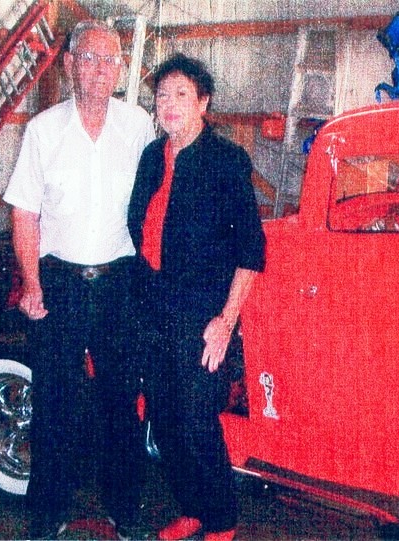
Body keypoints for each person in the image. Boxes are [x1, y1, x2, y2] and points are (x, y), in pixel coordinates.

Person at [2, 19, 156, 540]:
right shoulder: (43, 130)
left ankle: (125, 510)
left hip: (120, 283)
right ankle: (49, 513)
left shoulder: (138, 127)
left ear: (120, 68)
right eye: (88, 58)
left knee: (120, 400)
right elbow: (25, 212)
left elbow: (154, 205)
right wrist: (32, 283)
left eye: (109, 60)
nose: (99, 69)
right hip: (59, 283)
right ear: (69, 65)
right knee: (55, 400)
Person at [128, 53, 266, 541]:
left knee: (195, 419)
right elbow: (138, 231)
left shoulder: (227, 161)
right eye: (162, 95)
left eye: (181, 94)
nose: (169, 104)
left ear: (203, 102)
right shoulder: (152, 157)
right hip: (153, 307)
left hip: (203, 314)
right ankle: (192, 507)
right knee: (164, 417)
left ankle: (221, 521)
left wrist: (226, 320)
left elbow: (251, 249)